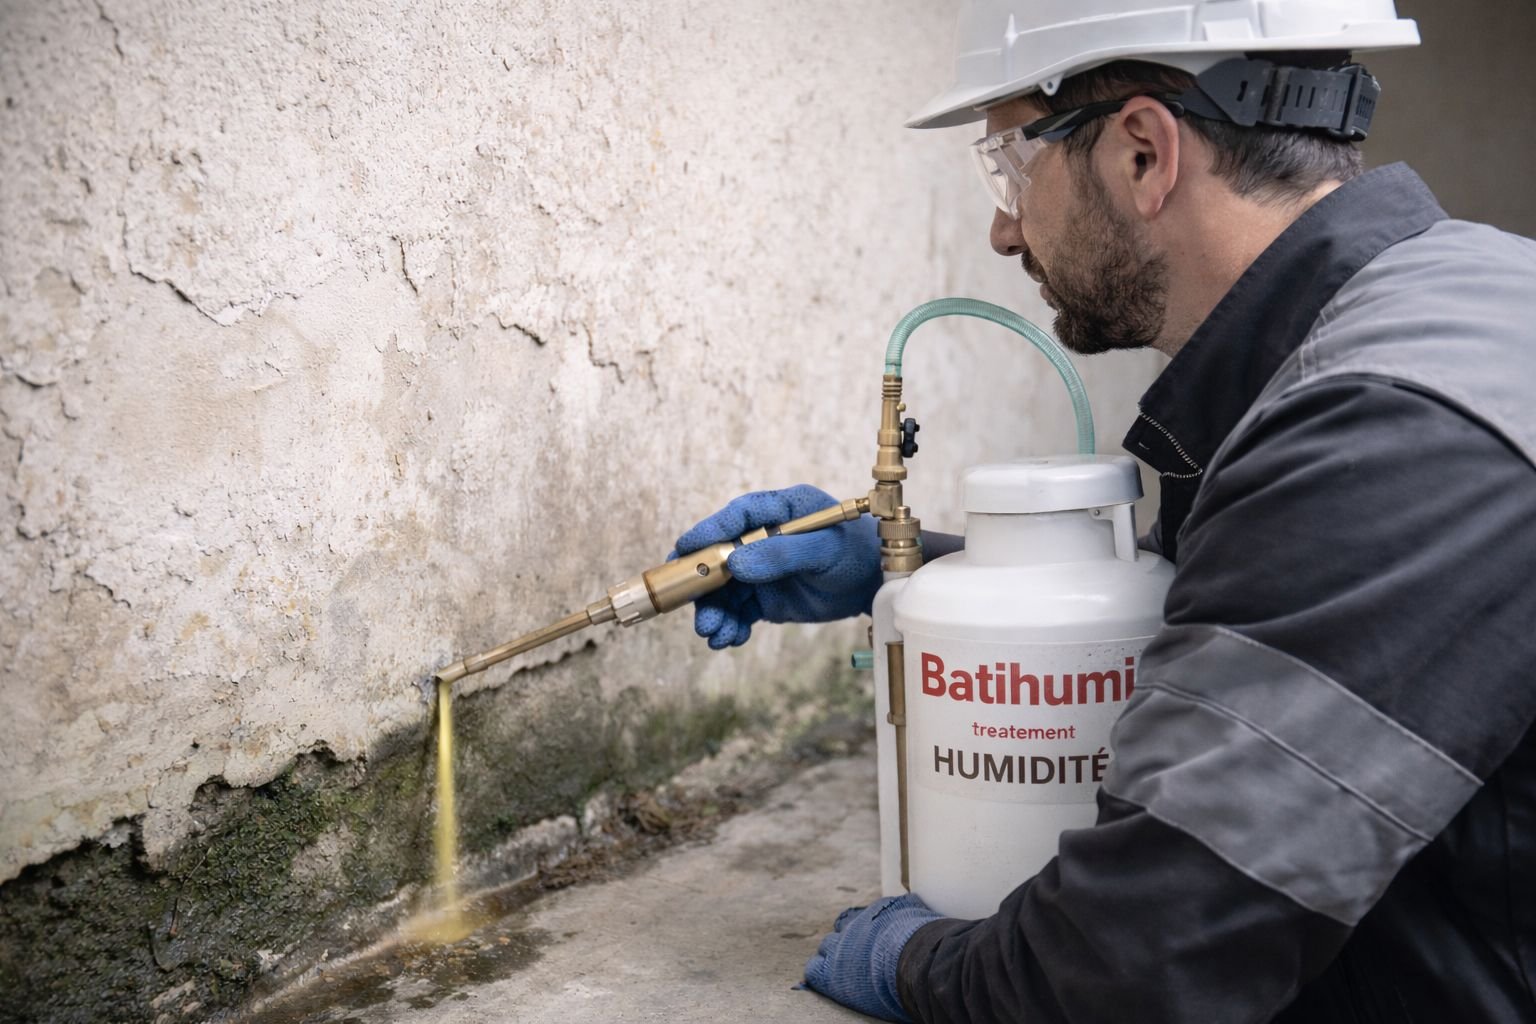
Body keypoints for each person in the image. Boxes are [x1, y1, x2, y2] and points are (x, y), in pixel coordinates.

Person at [672, 2, 1536, 1020]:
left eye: (1009, 166)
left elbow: (1142, 963)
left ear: (1141, 153)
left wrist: (913, 962)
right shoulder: (1446, 309)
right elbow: (1262, 628)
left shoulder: (1384, 432)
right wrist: (913, 573)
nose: (1002, 230)